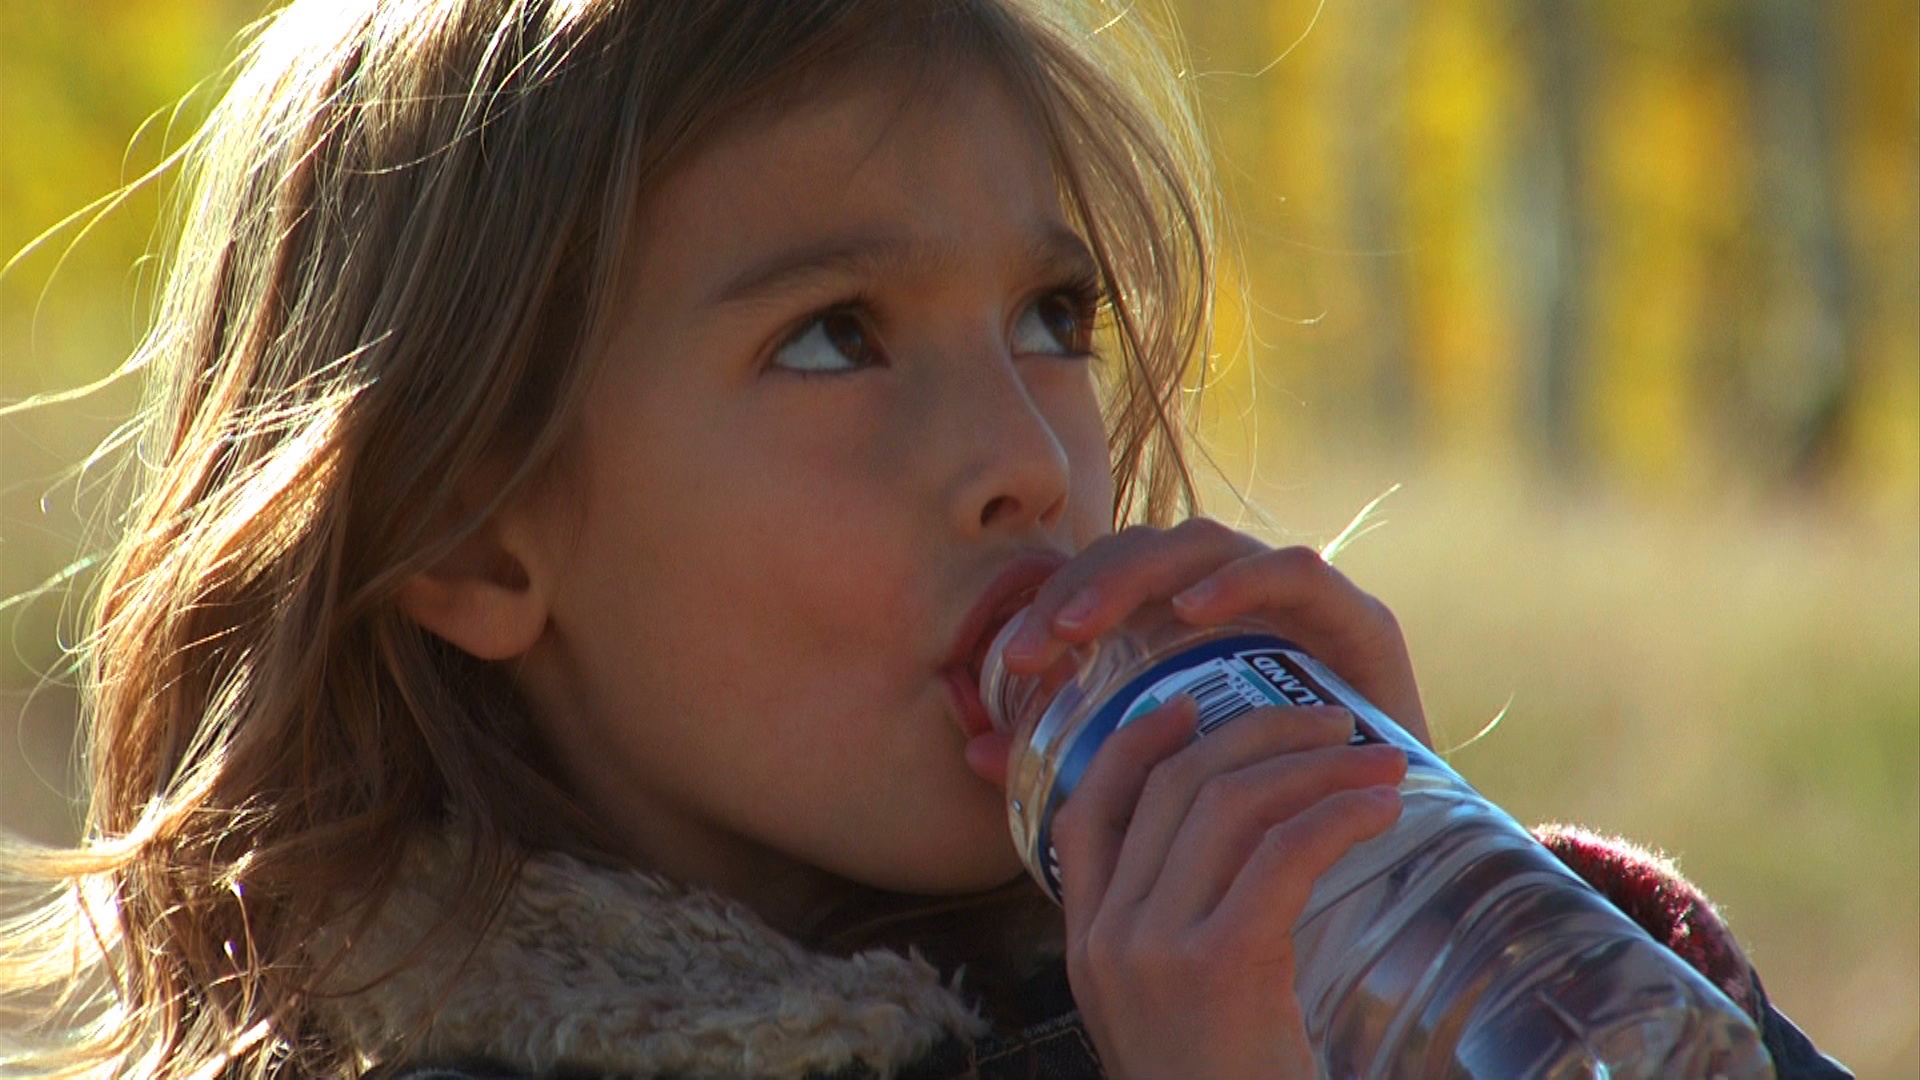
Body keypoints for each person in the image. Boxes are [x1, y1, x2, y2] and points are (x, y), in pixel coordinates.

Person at [0, 1, 1851, 1077]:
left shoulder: (1139, 984)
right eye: (836, 337)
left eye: (1056, 316)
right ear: (474, 537)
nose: (1030, 466)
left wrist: (1458, 927)